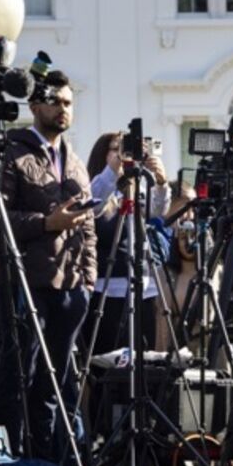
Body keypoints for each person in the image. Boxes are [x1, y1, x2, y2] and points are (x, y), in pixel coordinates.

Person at [0, 71, 96, 464]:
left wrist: (88, 280)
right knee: (18, 374)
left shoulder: (74, 161)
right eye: (54, 102)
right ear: (35, 106)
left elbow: (88, 228)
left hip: (71, 288)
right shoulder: (13, 151)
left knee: (55, 382)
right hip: (26, 282)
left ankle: (50, 461)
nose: (62, 109)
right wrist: (44, 223)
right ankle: (11, 461)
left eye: (68, 103)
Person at [86, 132, 169, 354]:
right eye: (116, 149)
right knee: (108, 355)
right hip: (107, 286)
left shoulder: (138, 184)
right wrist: (114, 169)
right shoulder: (98, 182)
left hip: (142, 282)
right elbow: (92, 204)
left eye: (127, 149)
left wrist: (161, 182)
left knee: (144, 352)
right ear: (102, 155)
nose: (123, 154)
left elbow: (158, 211)